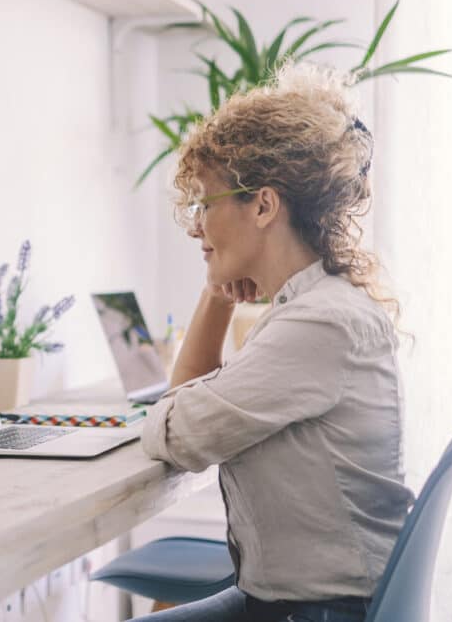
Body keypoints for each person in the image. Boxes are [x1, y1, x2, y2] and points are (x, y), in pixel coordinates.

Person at [136, 63, 414, 622]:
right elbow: (185, 412)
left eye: (207, 204)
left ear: (263, 206)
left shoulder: (318, 326)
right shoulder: (314, 309)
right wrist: (217, 295)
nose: (197, 229)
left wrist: (215, 294)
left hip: (317, 612)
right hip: (295, 601)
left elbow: (175, 433)